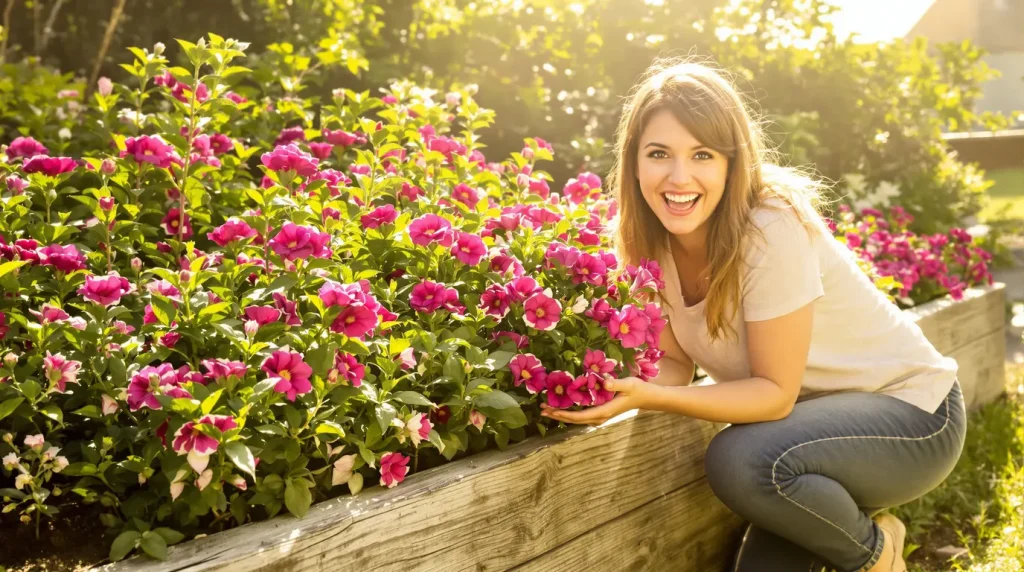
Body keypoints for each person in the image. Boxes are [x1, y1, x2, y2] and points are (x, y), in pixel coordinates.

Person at [539, 59, 966, 572]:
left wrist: (656, 397)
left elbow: (774, 392)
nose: (679, 177)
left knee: (735, 459)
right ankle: (870, 534)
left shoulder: (769, 227)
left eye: (702, 154)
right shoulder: (644, 242)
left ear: (731, 163)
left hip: (911, 417)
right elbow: (672, 362)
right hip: (801, 442)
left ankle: (879, 557)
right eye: (659, 154)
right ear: (634, 162)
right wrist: (617, 386)